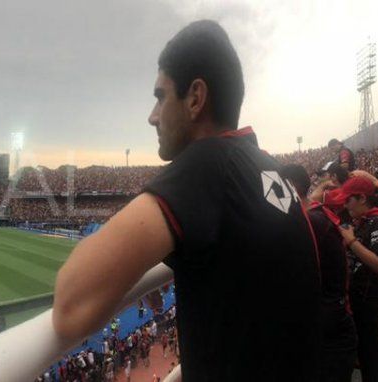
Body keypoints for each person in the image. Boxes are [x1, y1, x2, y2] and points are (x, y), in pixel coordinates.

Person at [52, 20, 321, 381]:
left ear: (195, 98)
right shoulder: (266, 166)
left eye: (161, 96)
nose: (152, 116)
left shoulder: (206, 165)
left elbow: (70, 306)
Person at [281, 164, 357, 382]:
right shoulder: (314, 215)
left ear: (290, 189)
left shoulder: (310, 223)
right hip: (332, 326)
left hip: (329, 335)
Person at [334, 177, 378, 382]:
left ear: (362, 198)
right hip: (362, 308)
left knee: (375, 364)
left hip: (375, 309)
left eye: (348, 200)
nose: (345, 205)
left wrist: (352, 241)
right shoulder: (364, 222)